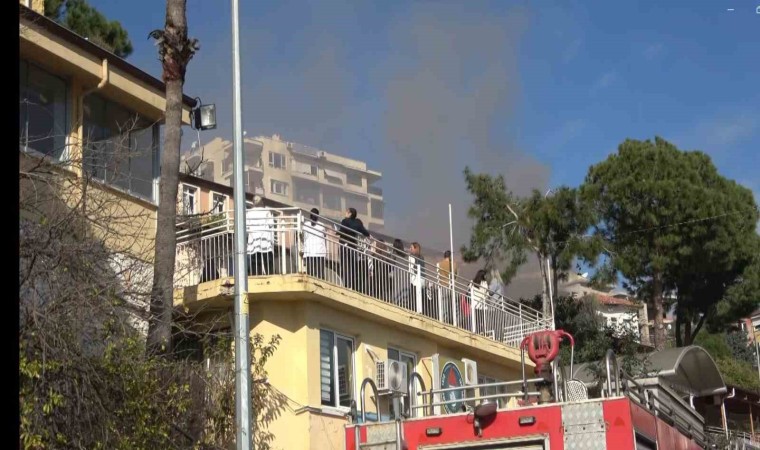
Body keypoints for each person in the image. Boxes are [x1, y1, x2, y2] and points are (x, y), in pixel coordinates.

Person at [338, 207, 370, 291]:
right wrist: (368, 235)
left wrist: (336, 232)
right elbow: (364, 232)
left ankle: (346, 284)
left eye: (347, 212)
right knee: (352, 266)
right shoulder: (358, 222)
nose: (345, 213)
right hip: (353, 246)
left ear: (350, 213)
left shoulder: (345, 221)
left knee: (345, 265)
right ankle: (352, 285)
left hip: (345, 245)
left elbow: (341, 230)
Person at [245, 195, 275, 275]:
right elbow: (271, 224)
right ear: (261, 202)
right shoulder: (266, 211)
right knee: (267, 258)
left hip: (254, 238)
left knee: (255, 259)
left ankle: (255, 275)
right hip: (265, 237)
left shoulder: (249, 212)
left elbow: (246, 226)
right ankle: (270, 275)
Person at [302, 208, 327, 280]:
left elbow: (302, 235)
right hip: (319, 252)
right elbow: (325, 235)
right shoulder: (321, 225)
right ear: (318, 216)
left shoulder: (305, 225)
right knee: (320, 274)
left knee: (310, 273)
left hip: (310, 251)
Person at [469, 269, 489, 334]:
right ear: (483, 275)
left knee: (475, 319)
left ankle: (475, 331)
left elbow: (469, 291)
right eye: (485, 275)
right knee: (481, 320)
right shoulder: (484, 283)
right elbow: (486, 294)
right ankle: (481, 332)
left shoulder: (472, 282)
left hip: (474, 304)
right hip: (481, 304)